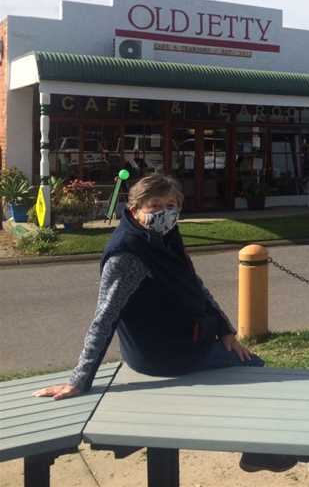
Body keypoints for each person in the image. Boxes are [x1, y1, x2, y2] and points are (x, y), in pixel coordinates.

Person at [32, 174, 294, 473]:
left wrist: (226, 331)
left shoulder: (163, 237)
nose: (164, 213)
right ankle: (256, 452)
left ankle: (248, 446)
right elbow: (104, 318)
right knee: (254, 368)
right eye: (154, 205)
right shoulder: (128, 253)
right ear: (134, 209)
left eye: (171, 205)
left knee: (241, 358)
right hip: (161, 353)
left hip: (177, 340)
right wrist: (80, 380)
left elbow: (193, 285)